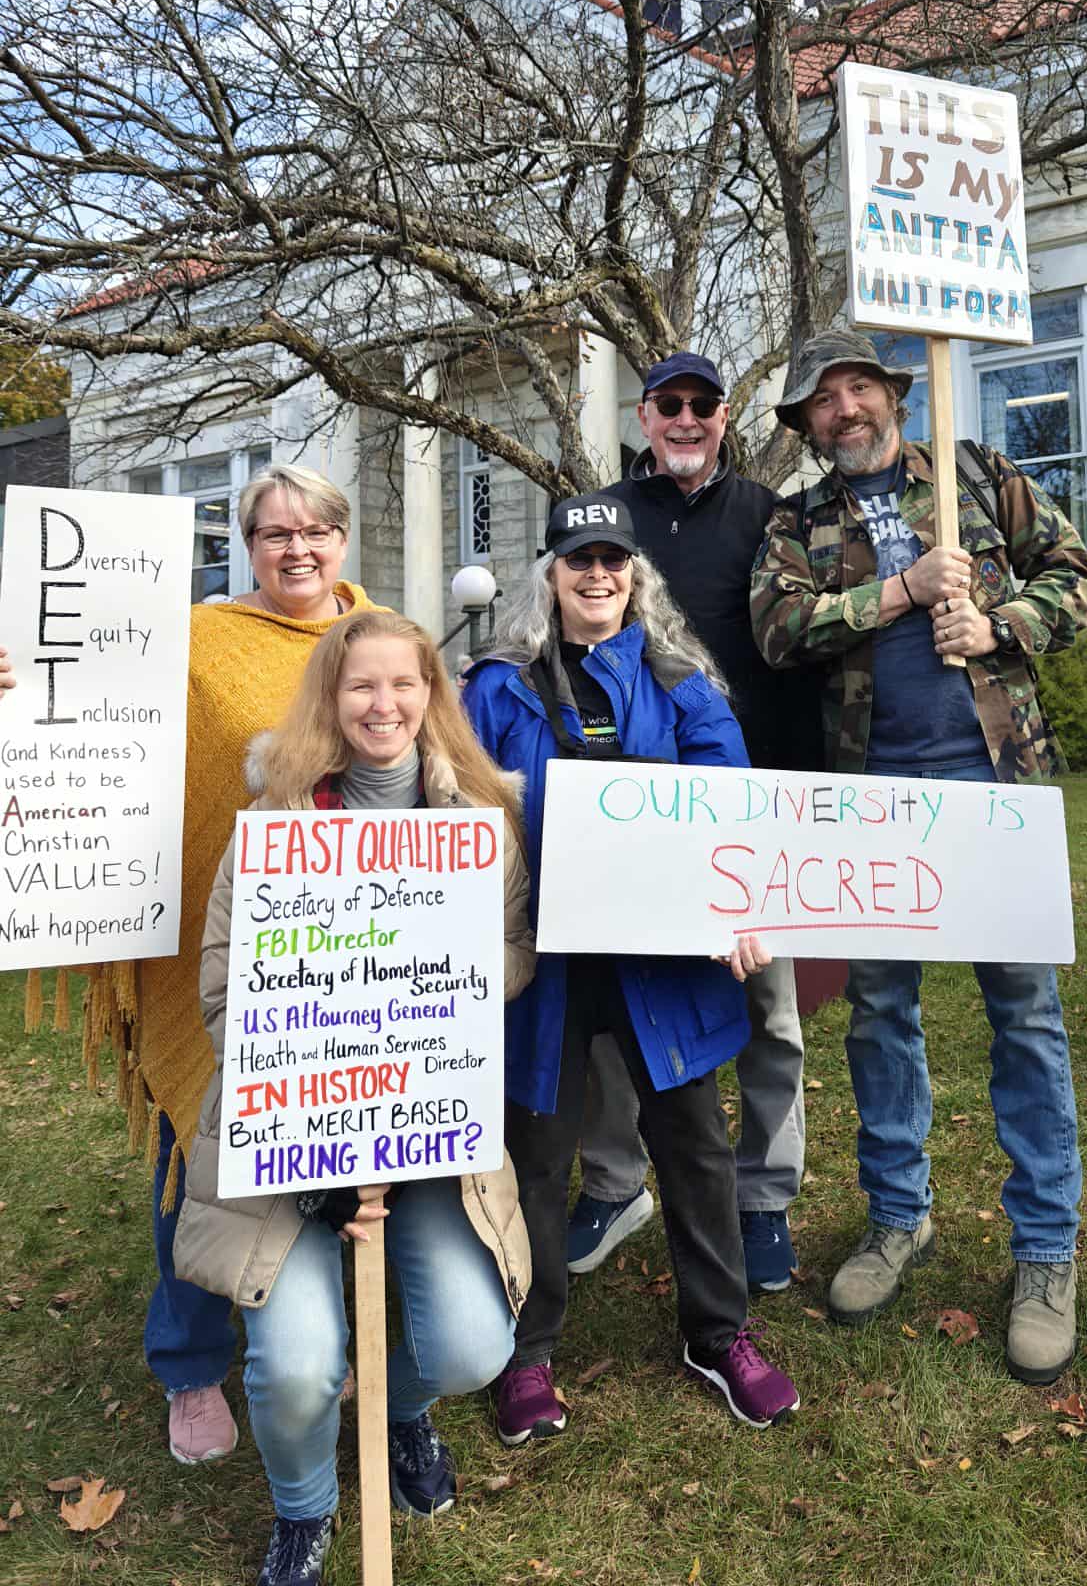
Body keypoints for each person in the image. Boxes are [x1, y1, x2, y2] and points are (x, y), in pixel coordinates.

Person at [750, 327, 1087, 1385]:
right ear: (806, 421)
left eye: (860, 386)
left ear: (894, 393)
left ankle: (1045, 1248)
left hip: (996, 784)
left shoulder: (980, 474)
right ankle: (899, 1215)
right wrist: (897, 594)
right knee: (882, 1012)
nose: (845, 407)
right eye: (824, 397)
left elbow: (1072, 577)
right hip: (872, 803)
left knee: (1024, 1013)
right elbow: (779, 630)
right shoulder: (797, 519)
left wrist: (1000, 625)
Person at [19, 465, 383, 1468]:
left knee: (341, 1152)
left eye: (314, 529)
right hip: (214, 940)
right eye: (273, 532)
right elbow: (85, 694)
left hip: (354, 952)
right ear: (247, 544)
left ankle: (332, 1332)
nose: (296, 548)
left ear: (343, 538)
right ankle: (188, 1359)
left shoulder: (386, 634)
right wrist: (22, 679)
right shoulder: (199, 638)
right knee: (199, 1143)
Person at [173, 610, 535, 1586]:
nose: (385, 704)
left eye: (404, 683)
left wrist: (426, 1007)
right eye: (361, 685)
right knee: (295, 1370)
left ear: (432, 693)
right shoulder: (272, 833)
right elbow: (221, 993)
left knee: (470, 1345)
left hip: (426, 1138)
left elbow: (512, 957)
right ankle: (304, 1508)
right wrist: (322, 1148)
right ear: (331, 700)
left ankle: (397, 1408)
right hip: (290, 1141)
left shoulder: (480, 826)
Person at [464, 494, 800, 1445]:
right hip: (545, 963)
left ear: (636, 575)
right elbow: (456, 804)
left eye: (614, 560)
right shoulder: (497, 686)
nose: (598, 576)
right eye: (580, 560)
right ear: (552, 574)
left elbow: (729, 807)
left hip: (661, 960)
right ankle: (528, 1351)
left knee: (693, 1144)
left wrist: (739, 907)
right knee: (535, 1152)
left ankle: (719, 1332)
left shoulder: (679, 678)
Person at [569, 350, 815, 1294]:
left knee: (768, 1010)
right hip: (627, 806)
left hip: (755, 799)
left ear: (722, 418)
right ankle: (618, 1179)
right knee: (618, 1009)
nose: (685, 419)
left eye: (701, 406)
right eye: (668, 404)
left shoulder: (764, 513)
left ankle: (761, 1198)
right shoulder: (602, 519)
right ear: (643, 415)